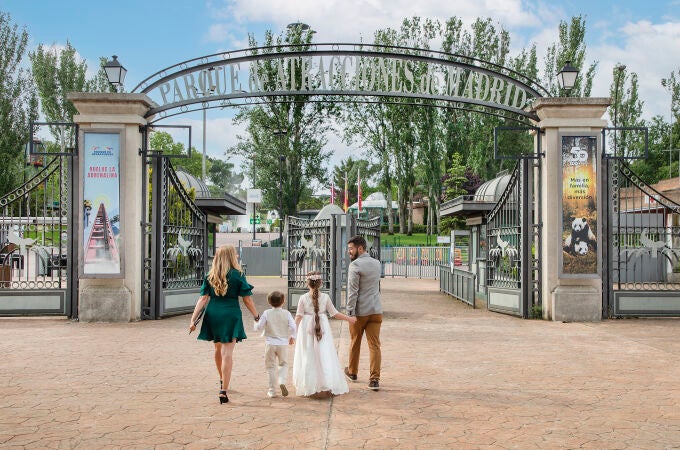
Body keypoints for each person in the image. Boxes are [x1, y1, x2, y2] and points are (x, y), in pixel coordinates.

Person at [189, 244, 259, 404]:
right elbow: (247, 299)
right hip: (231, 314)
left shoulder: (210, 275)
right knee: (228, 353)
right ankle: (224, 390)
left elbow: (203, 299)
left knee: (217, 348)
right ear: (232, 256)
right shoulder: (238, 274)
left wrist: (192, 319)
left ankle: (222, 378)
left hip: (213, 314)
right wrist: (256, 315)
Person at [293, 271, 357, 397]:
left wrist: (292, 332)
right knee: (324, 354)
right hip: (322, 327)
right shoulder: (325, 297)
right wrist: (349, 319)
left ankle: (309, 383)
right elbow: (334, 313)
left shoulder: (303, 298)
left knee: (308, 354)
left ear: (307, 283)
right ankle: (325, 382)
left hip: (306, 329)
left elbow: (298, 317)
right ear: (320, 283)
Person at [345, 235, 383, 391]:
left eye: (351, 249)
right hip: (376, 310)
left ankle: (352, 372)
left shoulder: (355, 266)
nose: (349, 252)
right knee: (375, 345)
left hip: (360, 312)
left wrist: (349, 312)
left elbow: (353, 292)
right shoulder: (377, 263)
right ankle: (374, 380)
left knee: (355, 341)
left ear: (360, 248)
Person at [253, 290, 296, 398]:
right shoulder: (286, 313)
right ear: (283, 301)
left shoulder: (267, 313)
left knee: (270, 367)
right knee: (284, 364)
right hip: (283, 343)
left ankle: (272, 391)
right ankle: (282, 381)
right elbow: (293, 326)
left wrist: (255, 322)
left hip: (270, 343)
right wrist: (292, 337)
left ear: (269, 302)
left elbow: (258, 327)